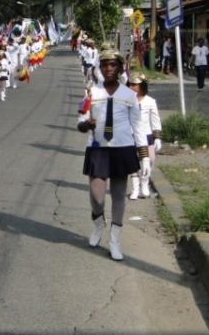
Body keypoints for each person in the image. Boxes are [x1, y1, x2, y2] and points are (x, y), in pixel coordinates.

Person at [77, 49, 150, 261]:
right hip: (98, 148)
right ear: (99, 68)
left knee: (118, 196)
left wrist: (144, 155)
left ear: (119, 68)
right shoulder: (91, 92)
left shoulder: (129, 95)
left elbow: (138, 126)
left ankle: (115, 240)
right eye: (104, 65)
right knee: (97, 196)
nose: (108, 69)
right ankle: (99, 223)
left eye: (112, 65)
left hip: (122, 148)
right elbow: (80, 121)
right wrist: (86, 124)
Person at [127, 72, 162, 199]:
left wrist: (157, 136)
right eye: (130, 84)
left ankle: (145, 184)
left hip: (147, 135)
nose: (132, 87)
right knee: (133, 162)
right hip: (131, 135)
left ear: (142, 85)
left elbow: (155, 119)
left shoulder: (150, 101)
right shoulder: (127, 100)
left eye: (135, 85)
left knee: (150, 160)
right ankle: (135, 188)